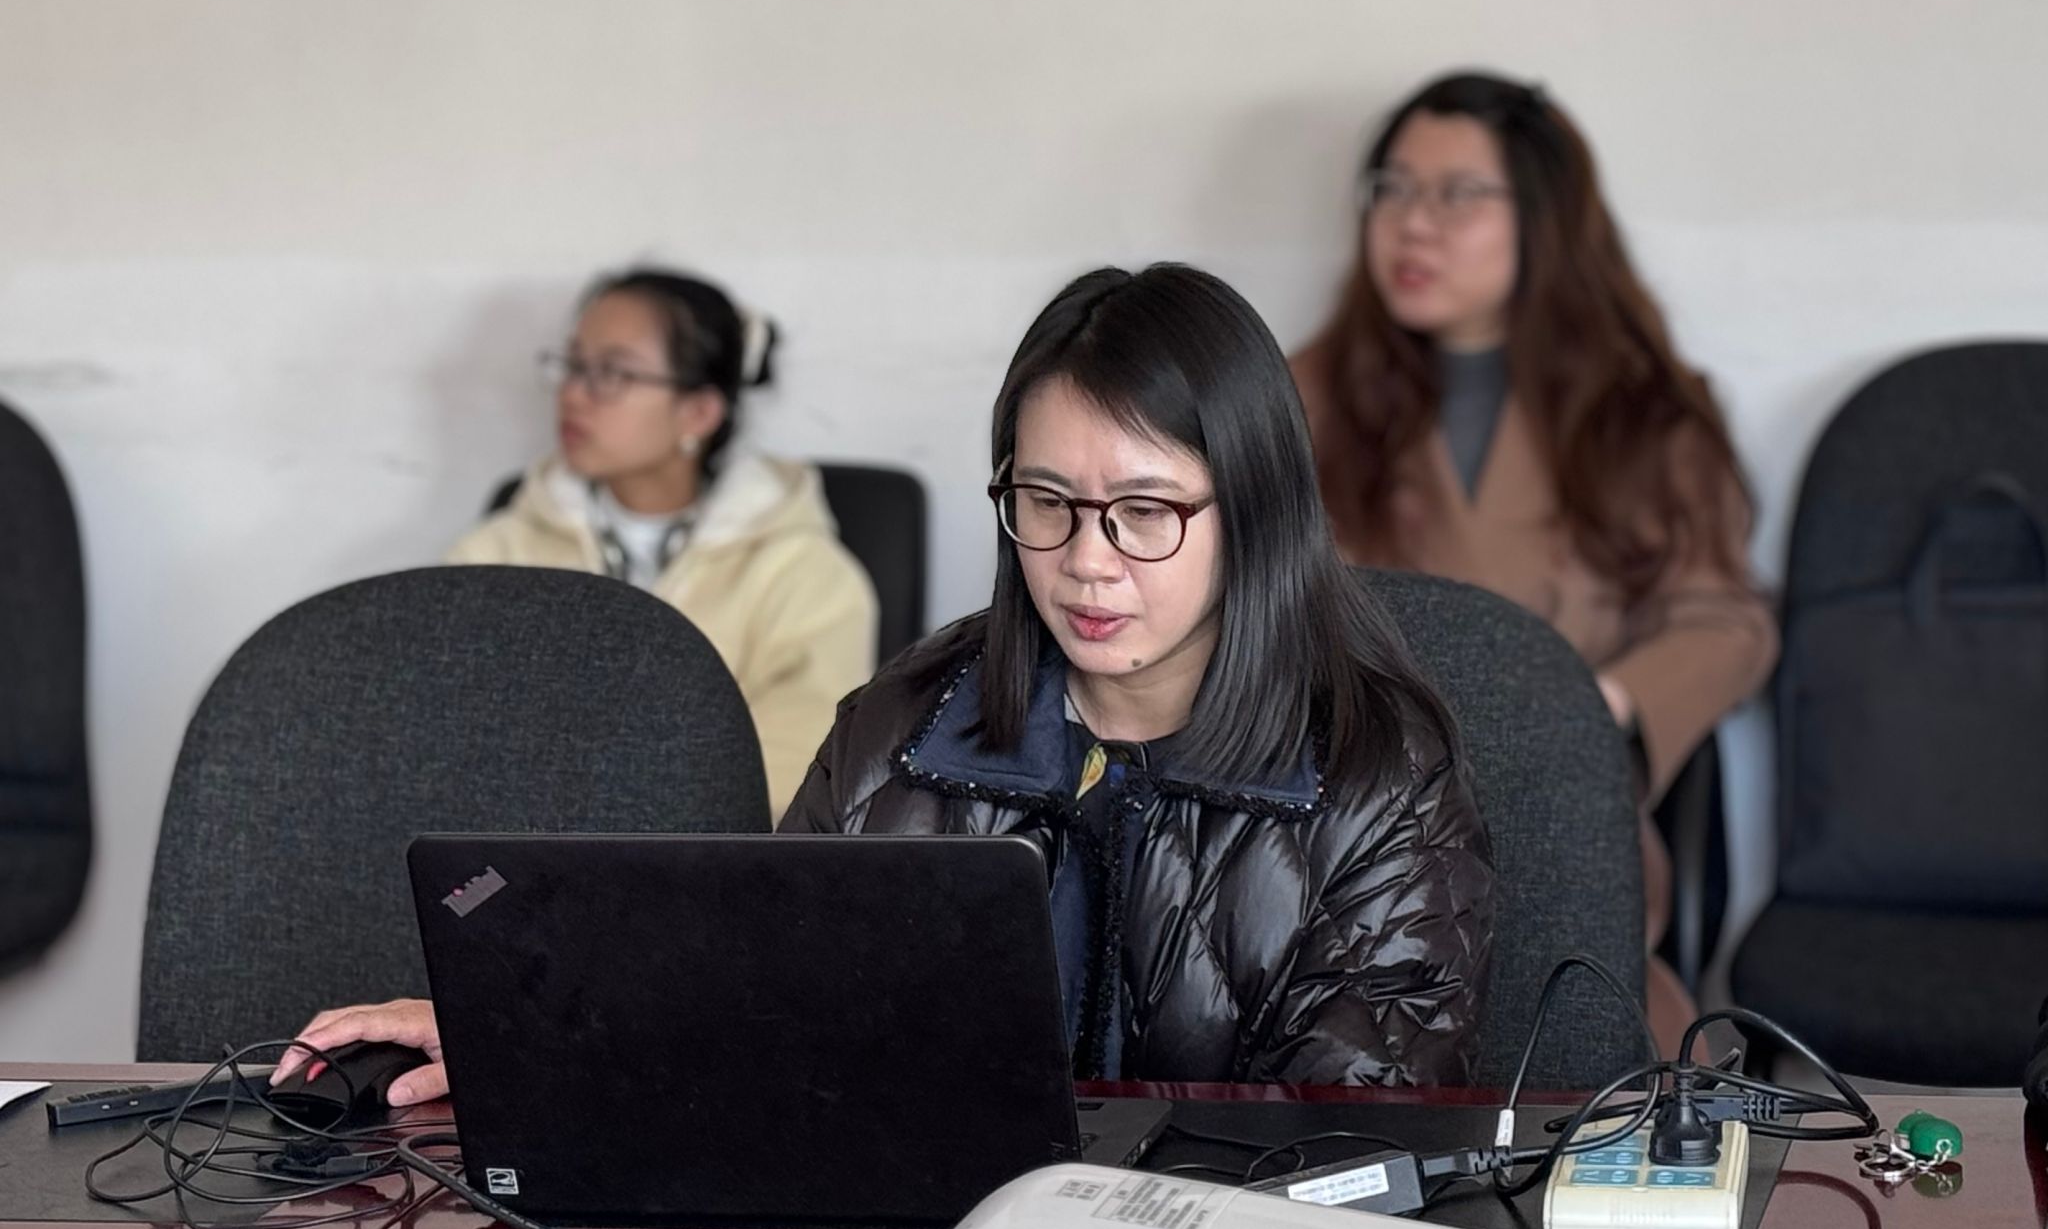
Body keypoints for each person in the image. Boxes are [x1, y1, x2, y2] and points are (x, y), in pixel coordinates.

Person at [275, 263, 1494, 1104]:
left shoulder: (1374, 777)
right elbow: (758, 1008)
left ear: (1256, 511)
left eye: (1143, 511)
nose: (1085, 562)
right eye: (1044, 502)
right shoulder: (909, 728)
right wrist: (540, 1037)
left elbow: (1351, 1143)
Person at [1291, 72, 1778, 1048]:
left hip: (1559, 806)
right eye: (1392, 188)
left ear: (1545, 217)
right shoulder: (1298, 397)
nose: (1412, 224)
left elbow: (1724, 620)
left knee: (1583, 1027)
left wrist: (1597, 707)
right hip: (1346, 806)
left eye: (1458, 195)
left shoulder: (1646, 411)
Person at [448, 267, 877, 819]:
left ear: (699, 412)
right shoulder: (495, 555)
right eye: (574, 365)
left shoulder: (809, 579)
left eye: (612, 373)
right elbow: (450, 738)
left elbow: (795, 778)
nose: (573, 393)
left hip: (714, 864)